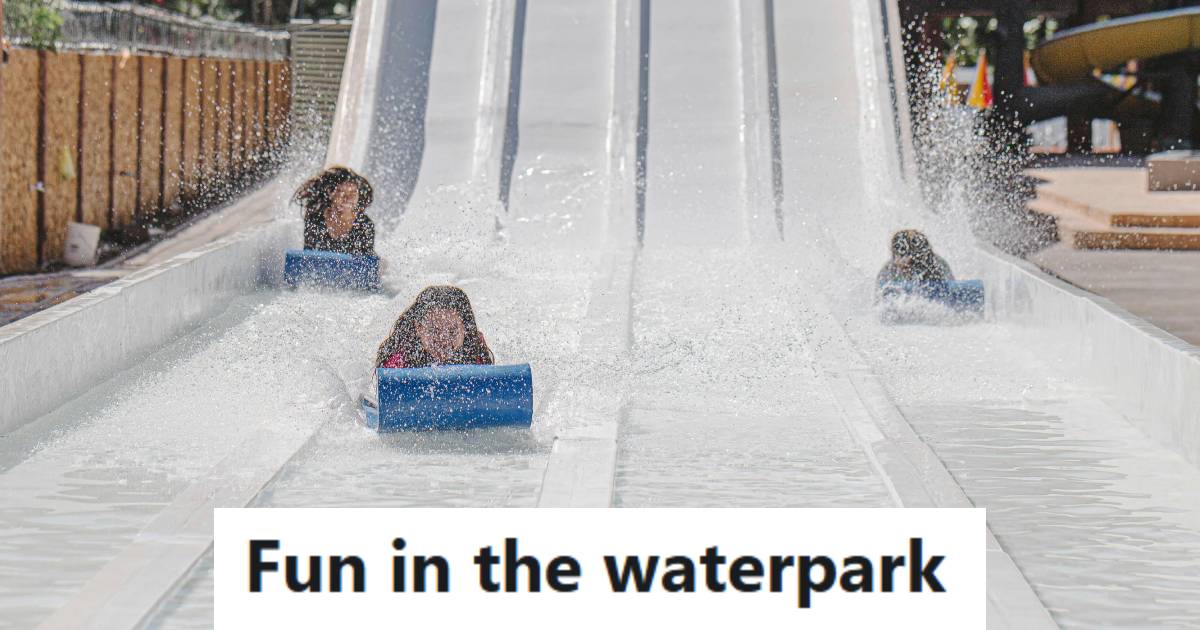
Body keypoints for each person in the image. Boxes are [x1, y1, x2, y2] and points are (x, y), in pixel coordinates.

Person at [375, 286, 494, 369]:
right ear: (419, 328)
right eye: (433, 331)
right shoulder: (403, 356)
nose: (443, 339)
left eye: (452, 331)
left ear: (464, 329)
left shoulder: (473, 350)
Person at [294, 166, 376, 256]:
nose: (348, 198)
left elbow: (365, 265)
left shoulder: (364, 224)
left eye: (353, 192)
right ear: (330, 193)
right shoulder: (316, 219)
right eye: (342, 192)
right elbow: (308, 257)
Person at [876, 229, 954, 286]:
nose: (903, 262)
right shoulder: (888, 271)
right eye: (900, 256)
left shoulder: (939, 265)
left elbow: (951, 290)